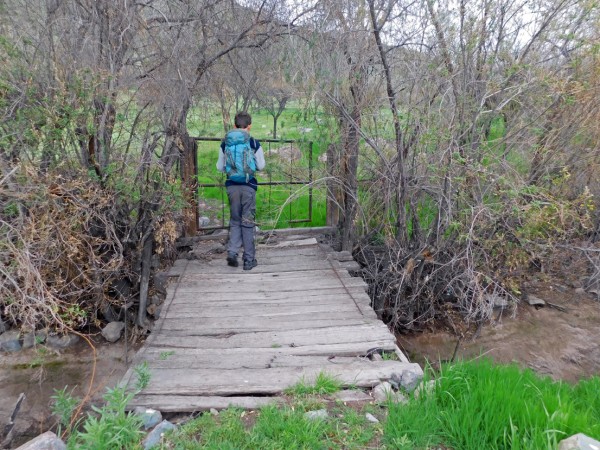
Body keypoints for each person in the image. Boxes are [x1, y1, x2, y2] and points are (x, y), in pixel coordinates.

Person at [216, 111, 266, 270]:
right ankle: (249, 260)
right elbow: (261, 166)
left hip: (232, 187)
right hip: (248, 186)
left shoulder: (225, 143)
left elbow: (219, 167)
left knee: (235, 221)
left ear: (234, 125)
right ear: (249, 126)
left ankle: (232, 252)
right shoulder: (253, 143)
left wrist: (232, 170)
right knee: (248, 223)